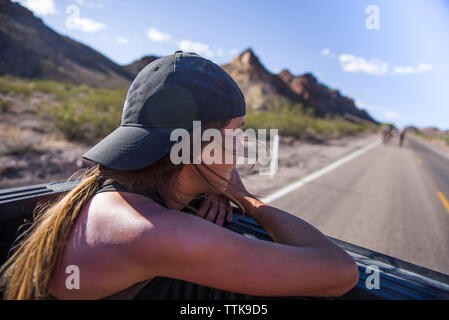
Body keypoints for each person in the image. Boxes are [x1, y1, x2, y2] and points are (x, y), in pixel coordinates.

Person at [0, 51, 359, 300]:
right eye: (236, 134)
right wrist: (249, 202)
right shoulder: (155, 232)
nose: (241, 151)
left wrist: (208, 185)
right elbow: (339, 273)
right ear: (198, 146)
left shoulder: (115, 187)